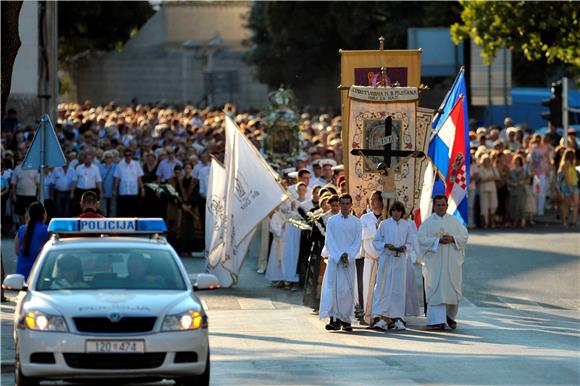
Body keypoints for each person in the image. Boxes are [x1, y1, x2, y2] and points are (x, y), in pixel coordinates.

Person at [418, 195, 468, 330]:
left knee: (451, 288)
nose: (441, 207)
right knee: (436, 289)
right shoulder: (428, 223)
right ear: (434, 206)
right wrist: (436, 241)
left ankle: (450, 317)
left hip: (451, 263)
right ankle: (436, 320)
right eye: (438, 205)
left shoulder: (454, 221)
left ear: (447, 205)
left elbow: (464, 236)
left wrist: (452, 238)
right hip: (435, 263)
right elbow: (420, 239)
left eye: (443, 205)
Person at [319, 194, 361, 331]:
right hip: (335, 261)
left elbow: (357, 242)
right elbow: (329, 241)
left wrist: (348, 256)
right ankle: (334, 319)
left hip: (348, 262)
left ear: (351, 205)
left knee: (347, 290)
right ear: (339, 204)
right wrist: (338, 255)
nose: (344, 206)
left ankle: (346, 319)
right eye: (342, 203)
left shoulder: (356, 222)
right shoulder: (332, 221)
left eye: (347, 204)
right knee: (333, 289)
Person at [371, 201, 415, 331]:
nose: (397, 213)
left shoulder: (406, 225)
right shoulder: (384, 224)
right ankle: (382, 317)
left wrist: (404, 247)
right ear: (391, 211)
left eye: (399, 210)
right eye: (394, 210)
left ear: (402, 212)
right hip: (387, 260)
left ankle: (397, 317)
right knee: (384, 288)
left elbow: (410, 243)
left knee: (398, 289)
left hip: (400, 261)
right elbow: (376, 241)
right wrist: (385, 245)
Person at [359, 191, 383, 324]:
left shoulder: (386, 217)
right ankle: (369, 316)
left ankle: (381, 315)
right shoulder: (365, 218)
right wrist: (376, 227)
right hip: (370, 258)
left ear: (381, 201)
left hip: (383, 259)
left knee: (382, 288)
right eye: (371, 200)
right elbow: (362, 234)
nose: (372, 202)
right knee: (368, 287)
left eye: (375, 199)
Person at [14, 202, 49, 280]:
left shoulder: (21, 229)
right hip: (38, 279)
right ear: (44, 214)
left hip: (20, 277)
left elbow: (17, 252)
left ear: (29, 214)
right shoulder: (47, 230)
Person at [113, 148, 145, 217]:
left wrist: (142, 189)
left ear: (132, 155)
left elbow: (139, 178)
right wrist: (115, 190)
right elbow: (117, 179)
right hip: (123, 192)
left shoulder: (137, 164)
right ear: (124, 156)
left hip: (133, 191)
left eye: (129, 155)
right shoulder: (119, 165)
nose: (128, 157)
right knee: (124, 212)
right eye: (126, 155)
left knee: (134, 211)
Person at [11, 162, 39, 226]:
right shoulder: (17, 168)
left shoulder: (34, 168)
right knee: (21, 214)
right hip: (19, 195)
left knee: (32, 214)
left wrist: (38, 194)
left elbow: (38, 183)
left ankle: (30, 229)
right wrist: (14, 195)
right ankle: (21, 229)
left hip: (32, 195)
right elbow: (13, 183)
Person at [557, 149, 578, 226]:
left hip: (574, 185)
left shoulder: (573, 164)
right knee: (566, 204)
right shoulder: (565, 164)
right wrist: (570, 187)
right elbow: (566, 177)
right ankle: (565, 221)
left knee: (575, 203)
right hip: (567, 186)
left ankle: (573, 221)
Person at [507, 154, 529, 227]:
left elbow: (528, 179)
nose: (517, 162)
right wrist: (512, 184)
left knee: (521, 206)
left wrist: (523, 182)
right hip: (513, 190)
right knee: (513, 206)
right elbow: (507, 180)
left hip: (521, 190)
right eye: (515, 161)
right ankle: (515, 221)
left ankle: (523, 221)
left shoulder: (524, 170)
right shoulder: (511, 171)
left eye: (518, 161)